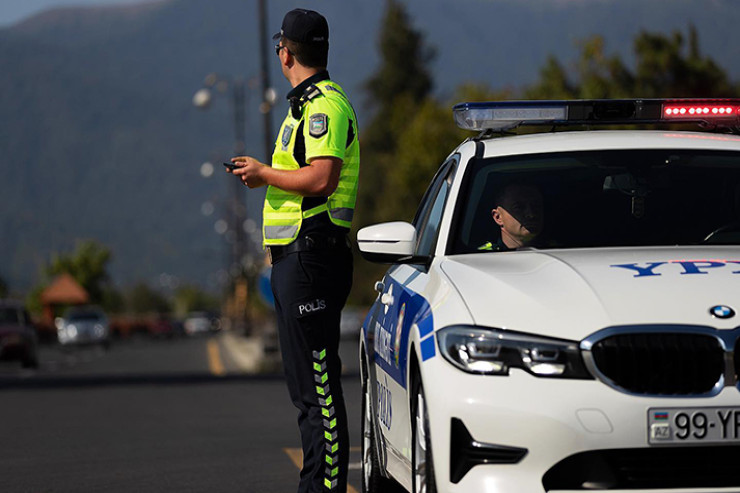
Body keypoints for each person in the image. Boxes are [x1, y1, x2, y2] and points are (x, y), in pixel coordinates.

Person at [228, 8, 359, 493]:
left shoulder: (324, 106)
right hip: (295, 258)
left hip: (312, 256)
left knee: (319, 391)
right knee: (306, 391)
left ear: (286, 52)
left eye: (280, 46)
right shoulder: (303, 108)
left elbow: (322, 178)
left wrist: (264, 175)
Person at [479, 183, 544, 251]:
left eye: (536, 206)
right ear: (498, 217)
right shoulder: (481, 256)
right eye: (518, 208)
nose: (531, 215)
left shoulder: (555, 250)